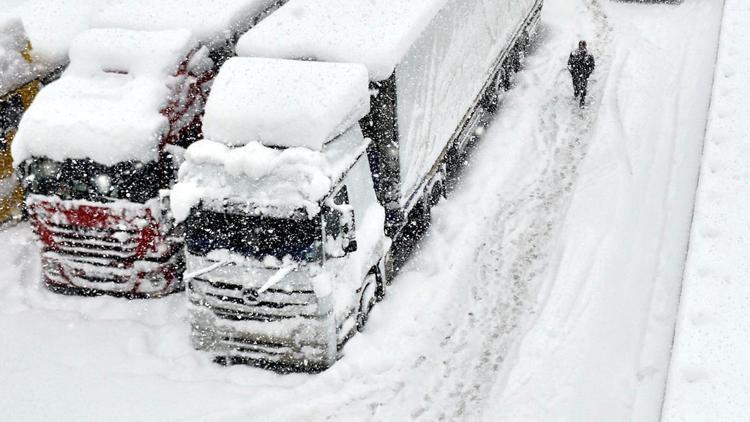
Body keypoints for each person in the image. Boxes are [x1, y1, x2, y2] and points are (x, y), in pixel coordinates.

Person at [567, 40, 595, 107]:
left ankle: (582, 99)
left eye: (583, 45)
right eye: (581, 45)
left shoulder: (589, 55)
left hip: (584, 74)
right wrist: (572, 72)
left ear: (585, 46)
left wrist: (588, 72)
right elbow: (569, 64)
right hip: (576, 73)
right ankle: (577, 93)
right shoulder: (574, 53)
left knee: (583, 87)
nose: (582, 47)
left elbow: (592, 65)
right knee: (576, 86)